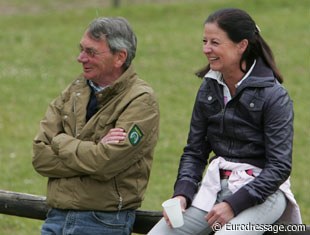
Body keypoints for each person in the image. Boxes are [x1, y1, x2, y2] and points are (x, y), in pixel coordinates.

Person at [148, 8, 301, 235]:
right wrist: (183, 193)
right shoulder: (209, 88)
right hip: (215, 189)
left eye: (215, 43)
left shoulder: (275, 96)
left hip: (265, 196)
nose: (205, 49)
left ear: (242, 45)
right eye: (204, 41)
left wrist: (233, 205)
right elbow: (195, 151)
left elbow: (279, 167)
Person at [32, 17, 160, 235]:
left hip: (103, 221)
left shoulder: (141, 101)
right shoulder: (74, 90)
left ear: (120, 57)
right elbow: (40, 157)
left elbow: (105, 163)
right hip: (56, 216)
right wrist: (94, 150)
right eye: (82, 49)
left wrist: (61, 141)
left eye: (91, 52)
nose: (80, 58)